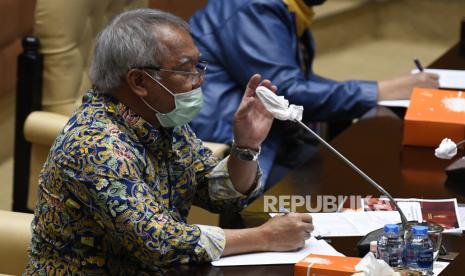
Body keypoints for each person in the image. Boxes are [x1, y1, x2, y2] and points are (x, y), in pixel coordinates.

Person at [25, 9, 313, 274]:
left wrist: (246, 146)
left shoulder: (162, 120)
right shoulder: (96, 146)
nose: (199, 80)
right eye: (186, 68)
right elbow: (161, 243)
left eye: (199, 65)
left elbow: (217, 193)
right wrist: (265, 237)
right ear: (139, 81)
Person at [188, 0, 440, 188]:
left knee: (363, 169)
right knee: (339, 190)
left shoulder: (287, 8)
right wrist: (379, 91)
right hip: (235, 138)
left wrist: (375, 90)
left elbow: (297, 81)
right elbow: (285, 93)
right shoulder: (252, 8)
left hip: (274, 133)